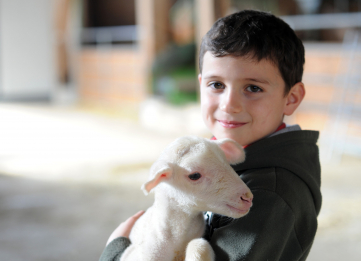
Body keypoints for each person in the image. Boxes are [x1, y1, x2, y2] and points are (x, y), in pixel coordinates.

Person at [99, 10, 322, 261]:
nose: (229, 104)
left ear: (291, 98)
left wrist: (115, 252)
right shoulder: (219, 158)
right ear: (200, 85)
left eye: (253, 88)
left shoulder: (270, 194)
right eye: (216, 85)